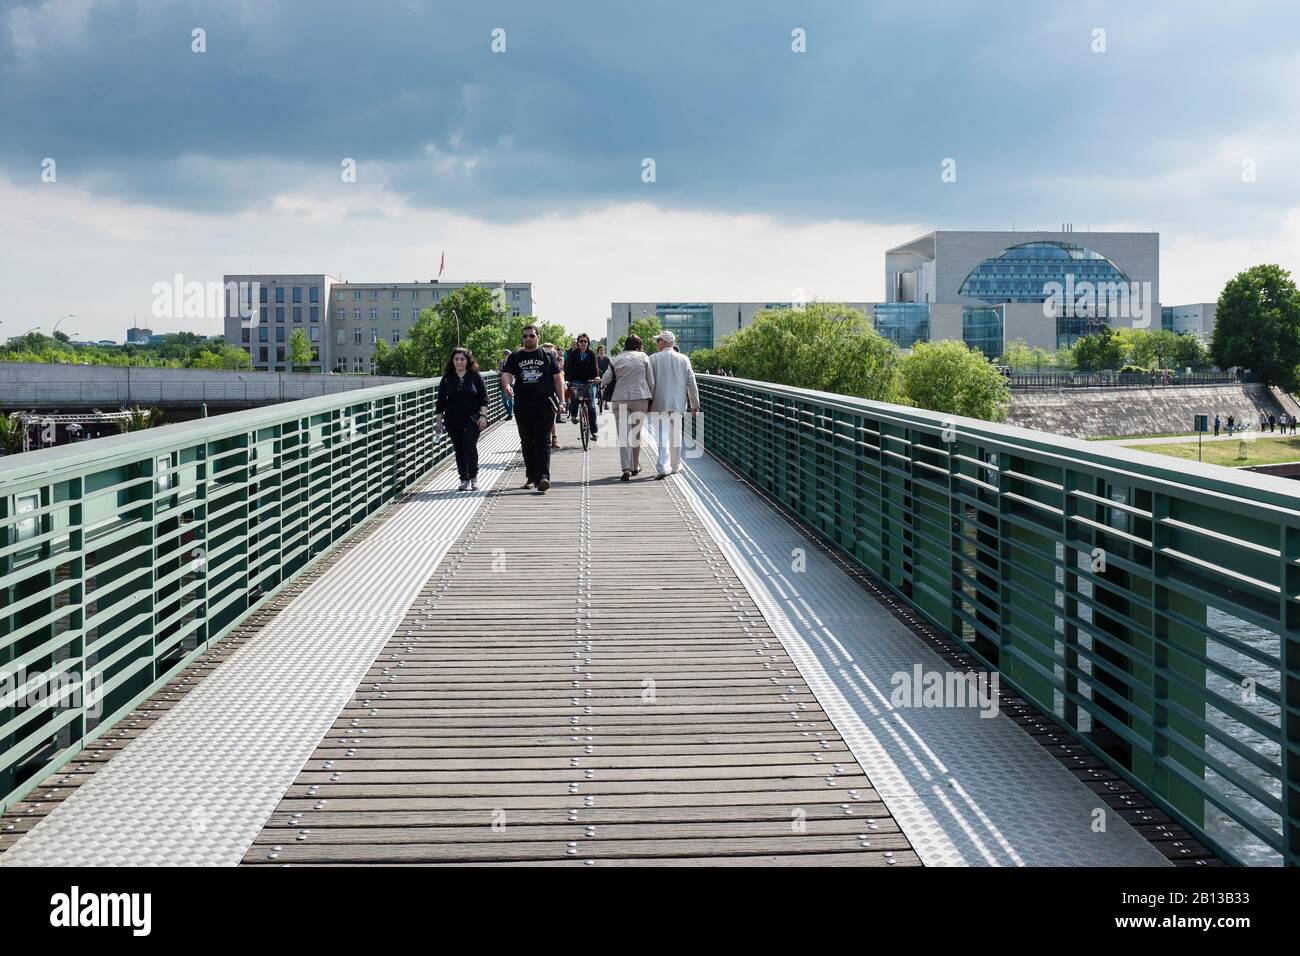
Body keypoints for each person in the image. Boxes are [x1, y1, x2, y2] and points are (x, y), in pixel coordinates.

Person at [500, 325, 565, 493]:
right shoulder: (516, 356)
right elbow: (506, 374)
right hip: (522, 405)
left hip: (544, 405)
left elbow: (557, 379)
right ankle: (531, 476)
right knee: (527, 441)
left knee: (543, 441)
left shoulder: (548, 356)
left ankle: (543, 477)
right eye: (525, 336)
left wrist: (562, 402)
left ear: (538, 337)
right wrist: (506, 385)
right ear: (522, 338)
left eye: (531, 336)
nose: (528, 338)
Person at [647, 329, 700, 478]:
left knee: (662, 436)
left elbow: (649, 383)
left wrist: (648, 402)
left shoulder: (653, 359)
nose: (657, 343)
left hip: (659, 402)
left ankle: (663, 466)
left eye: (658, 340)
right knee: (676, 435)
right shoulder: (684, 359)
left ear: (664, 342)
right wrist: (695, 404)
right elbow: (691, 382)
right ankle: (676, 465)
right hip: (678, 404)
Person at [601, 333, 655, 480]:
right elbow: (651, 382)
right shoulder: (644, 357)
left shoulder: (617, 359)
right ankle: (635, 465)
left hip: (621, 398)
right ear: (639, 345)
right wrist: (651, 400)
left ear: (625, 345)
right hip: (640, 397)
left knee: (624, 435)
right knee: (636, 433)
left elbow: (606, 379)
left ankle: (625, 468)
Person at [435, 347, 489, 492]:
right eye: (456, 359)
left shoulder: (475, 376)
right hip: (453, 420)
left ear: (468, 360)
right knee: (459, 449)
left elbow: (483, 398)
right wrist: (438, 422)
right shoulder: (447, 378)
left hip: (472, 419)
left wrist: (483, 416)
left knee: (469, 446)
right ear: (452, 361)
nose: (459, 362)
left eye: (462, 359)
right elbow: (440, 402)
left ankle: (474, 478)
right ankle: (463, 478)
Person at [563, 333, 601, 439]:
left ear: (588, 343)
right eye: (581, 341)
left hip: (589, 382)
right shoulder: (573, 354)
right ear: (578, 343)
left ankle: (594, 432)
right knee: (575, 399)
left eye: (585, 341)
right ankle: (574, 416)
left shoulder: (591, 354)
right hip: (575, 381)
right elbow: (568, 368)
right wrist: (567, 381)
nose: (583, 343)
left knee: (591, 406)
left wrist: (596, 378)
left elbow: (595, 368)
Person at [542, 342, 564, 448]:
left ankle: (554, 437)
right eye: (546, 350)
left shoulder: (553, 361)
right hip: (539, 393)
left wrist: (561, 401)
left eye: (551, 350)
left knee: (552, 415)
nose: (549, 352)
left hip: (551, 393)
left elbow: (559, 379)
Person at [498, 349, 515, 421]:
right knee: (504, 401)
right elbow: (500, 371)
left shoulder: (513, 363)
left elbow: (514, 373)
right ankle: (510, 412)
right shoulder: (501, 363)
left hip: (510, 383)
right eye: (507, 355)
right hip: (503, 384)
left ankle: (510, 414)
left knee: (510, 399)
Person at [595, 345, 611, 412]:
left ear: (604, 351)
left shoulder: (607, 358)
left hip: (606, 374)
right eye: (600, 350)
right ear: (598, 351)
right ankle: (599, 397)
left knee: (607, 387)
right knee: (596, 386)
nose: (601, 351)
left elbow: (611, 367)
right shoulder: (596, 358)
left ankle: (606, 403)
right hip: (598, 375)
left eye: (603, 350)